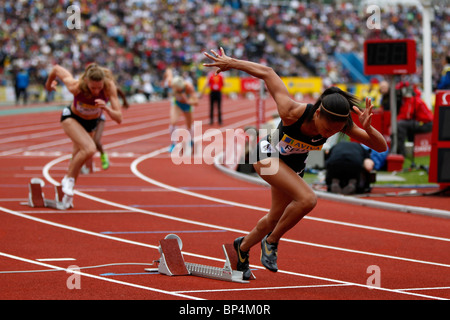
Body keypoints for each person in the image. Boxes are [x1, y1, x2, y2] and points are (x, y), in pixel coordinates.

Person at [203, 48, 387, 279]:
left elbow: (381, 147)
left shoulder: (341, 124)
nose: (330, 133)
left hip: (291, 167)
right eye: (328, 129)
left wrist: (368, 128)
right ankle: (271, 242)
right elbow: (268, 72)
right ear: (318, 113)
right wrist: (233, 63)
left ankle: (241, 248)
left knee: (274, 218)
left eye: (337, 131)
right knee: (308, 199)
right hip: (265, 157)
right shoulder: (291, 112)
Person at [45, 63, 122, 203]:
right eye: (93, 88)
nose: (97, 91)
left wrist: (107, 109)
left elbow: (119, 118)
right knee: (90, 149)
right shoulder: (76, 86)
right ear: (86, 82)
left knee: (77, 157)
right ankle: (68, 180)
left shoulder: (109, 87)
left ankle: (66, 196)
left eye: (99, 87)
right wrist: (49, 84)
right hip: (72, 118)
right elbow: (56, 69)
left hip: (91, 124)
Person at [395, 82, 433, 157]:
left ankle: (401, 152)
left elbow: (407, 115)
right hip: (422, 122)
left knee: (401, 124)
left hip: (426, 124)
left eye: (400, 91)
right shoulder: (410, 99)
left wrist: (395, 120)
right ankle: (409, 149)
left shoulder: (412, 99)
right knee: (405, 124)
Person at [168, 76, 198, 152]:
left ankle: (191, 140)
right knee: (173, 122)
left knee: (189, 125)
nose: (177, 91)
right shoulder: (172, 83)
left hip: (187, 105)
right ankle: (173, 144)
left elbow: (196, 102)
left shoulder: (189, 87)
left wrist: (188, 101)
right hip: (177, 104)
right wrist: (168, 71)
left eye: (179, 90)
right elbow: (168, 73)